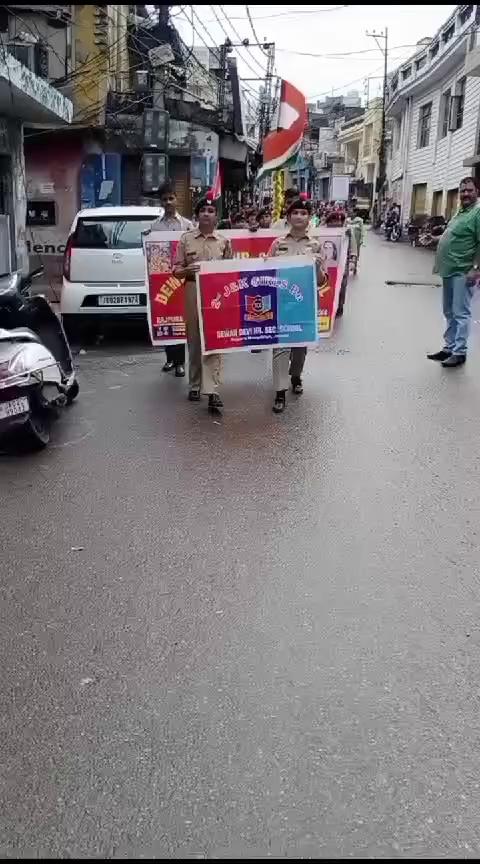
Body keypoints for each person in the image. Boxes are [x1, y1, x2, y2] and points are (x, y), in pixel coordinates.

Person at [173, 192, 232, 414]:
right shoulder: (186, 239)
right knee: (195, 339)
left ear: (216, 216)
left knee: (215, 340)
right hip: (192, 288)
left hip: (217, 294)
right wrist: (186, 269)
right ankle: (195, 384)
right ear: (197, 216)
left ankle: (212, 389)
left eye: (211, 211)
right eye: (202, 211)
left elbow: (230, 271)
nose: (206, 214)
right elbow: (176, 270)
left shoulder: (224, 242)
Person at [267, 197, 325, 414]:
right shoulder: (277, 243)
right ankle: (280, 391)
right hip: (282, 302)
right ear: (288, 217)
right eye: (295, 213)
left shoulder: (316, 244)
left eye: (303, 213)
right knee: (280, 345)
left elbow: (321, 281)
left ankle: (296, 375)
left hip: (305, 302)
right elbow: (267, 272)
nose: (299, 216)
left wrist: (318, 267)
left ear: (309, 218)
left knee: (300, 346)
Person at [428, 176, 480, 368]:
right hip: (448, 269)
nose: (465, 194)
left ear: (477, 192)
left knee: (461, 312)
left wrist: (476, 269)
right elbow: (452, 234)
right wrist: (435, 239)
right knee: (449, 311)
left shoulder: (477, 213)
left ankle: (460, 352)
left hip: (463, 270)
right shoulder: (461, 212)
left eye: (469, 190)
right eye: (462, 190)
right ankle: (449, 348)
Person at [148, 181, 193, 377]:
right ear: (161, 202)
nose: (168, 202)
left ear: (177, 199)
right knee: (164, 315)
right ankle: (170, 359)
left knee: (179, 316)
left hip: (182, 277)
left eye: (171, 198)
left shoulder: (187, 225)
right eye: (164, 199)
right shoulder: (154, 226)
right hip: (162, 278)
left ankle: (180, 362)